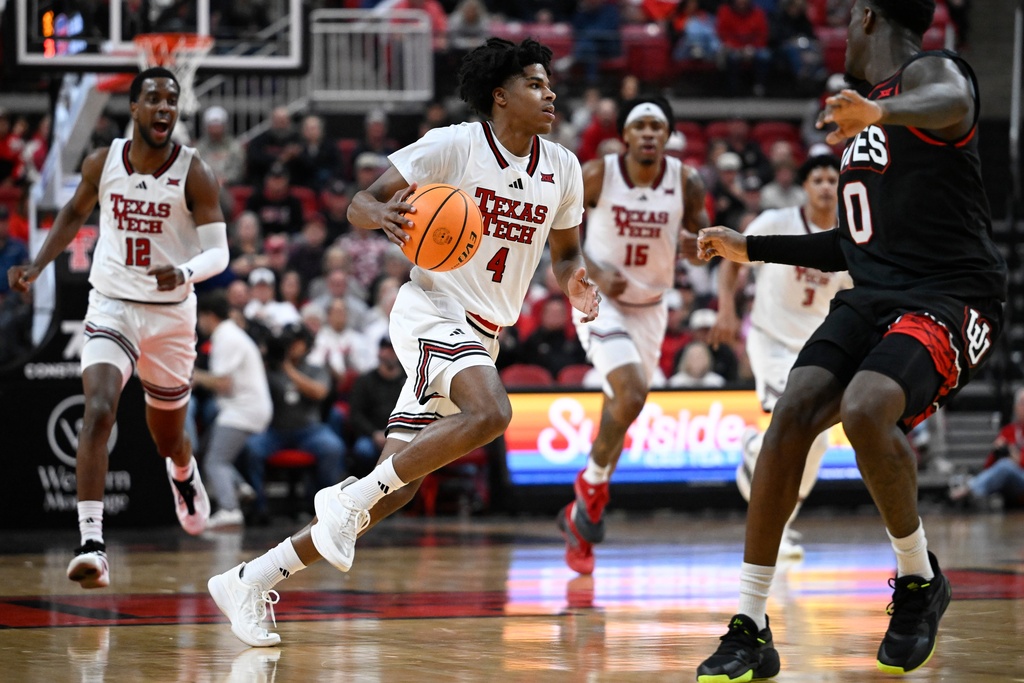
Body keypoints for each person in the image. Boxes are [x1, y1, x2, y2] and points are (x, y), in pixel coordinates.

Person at [207, 37, 599, 648]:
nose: (550, 94)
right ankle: (340, 505)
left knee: (399, 484)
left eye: (550, 85)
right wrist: (383, 216)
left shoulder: (564, 168)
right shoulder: (455, 144)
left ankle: (251, 579)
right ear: (500, 96)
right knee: (493, 412)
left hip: (486, 332)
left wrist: (575, 283)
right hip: (432, 309)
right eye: (535, 84)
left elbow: (567, 253)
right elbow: (360, 202)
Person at [694, 1, 1007, 678]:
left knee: (867, 407)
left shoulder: (932, 76)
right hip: (872, 294)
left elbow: (951, 97)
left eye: (845, 16)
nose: (837, 32)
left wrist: (880, 112)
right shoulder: (866, 121)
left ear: (867, 15)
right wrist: (749, 247)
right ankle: (749, 623)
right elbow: (851, 242)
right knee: (793, 412)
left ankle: (918, 581)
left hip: (952, 295)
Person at [7, 67, 230, 588]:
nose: (163, 108)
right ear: (133, 109)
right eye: (152, 98)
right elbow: (71, 214)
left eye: (171, 100)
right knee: (99, 408)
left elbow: (220, 252)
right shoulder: (101, 161)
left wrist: (186, 271)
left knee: (167, 439)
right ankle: (91, 545)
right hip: (111, 306)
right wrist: (37, 266)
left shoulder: (195, 172)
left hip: (171, 314)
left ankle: (183, 473)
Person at [556, 95, 709, 575]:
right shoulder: (599, 174)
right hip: (600, 302)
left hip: (651, 308)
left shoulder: (687, 181)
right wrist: (596, 269)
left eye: (656, 127)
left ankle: (586, 501)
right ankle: (594, 489)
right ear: (624, 133)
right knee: (632, 389)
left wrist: (696, 246)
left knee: (624, 406)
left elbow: (701, 242)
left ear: (667, 136)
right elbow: (558, 233)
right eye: (639, 126)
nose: (647, 134)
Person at [711, 153, 851, 558]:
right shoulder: (776, 222)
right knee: (791, 424)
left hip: (817, 345)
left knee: (820, 440)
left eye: (832, 179)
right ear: (804, 187)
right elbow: (731, 256)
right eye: (818, 179)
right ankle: (759, 458)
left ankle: (780, 518)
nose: (826, 186)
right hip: (770, 340)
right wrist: (725, 308)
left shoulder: (850, 236)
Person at [193, 290, 273, 530]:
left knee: (215, 462)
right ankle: (240, 488)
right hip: (245, 408)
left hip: (243, 410)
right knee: (207, 447)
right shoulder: (229, 334)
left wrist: (192, 374)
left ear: (208, 316)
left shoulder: (225, 337)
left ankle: (230, 510)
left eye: (200, 317)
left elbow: (223, 384)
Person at [949, 387, 1024, 508]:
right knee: (1004, 466)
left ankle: (970, 489)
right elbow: (989, 466)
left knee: (1005, 466)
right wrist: (996, 451)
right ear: (1015, 407)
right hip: (1009, 481)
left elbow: (1010, 463)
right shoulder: (1008, 431)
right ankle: (973, 492)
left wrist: (1017, 458)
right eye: (1021, 404)